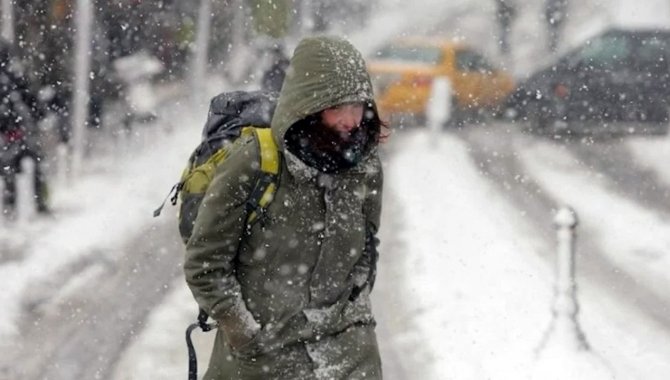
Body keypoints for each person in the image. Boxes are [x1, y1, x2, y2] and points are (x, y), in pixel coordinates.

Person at [184, 36, 385, 379]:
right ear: (310, 104)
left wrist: (355, 304)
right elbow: (205, 263)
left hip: (348, 353)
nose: (352, 120)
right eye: (339, 107)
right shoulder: (254, 161)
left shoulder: (363, 164)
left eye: (359, 107)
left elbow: (367, 244)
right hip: (263, 357)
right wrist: (242, 331)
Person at [0, 39, 50, 216]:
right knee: (33, 165)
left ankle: (12, 205)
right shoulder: (16, 77)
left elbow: (31, 99)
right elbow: (32, 99)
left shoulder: (14, 78)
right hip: (18, 130)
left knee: (10, 169)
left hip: (13, 131)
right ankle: (39, 203)